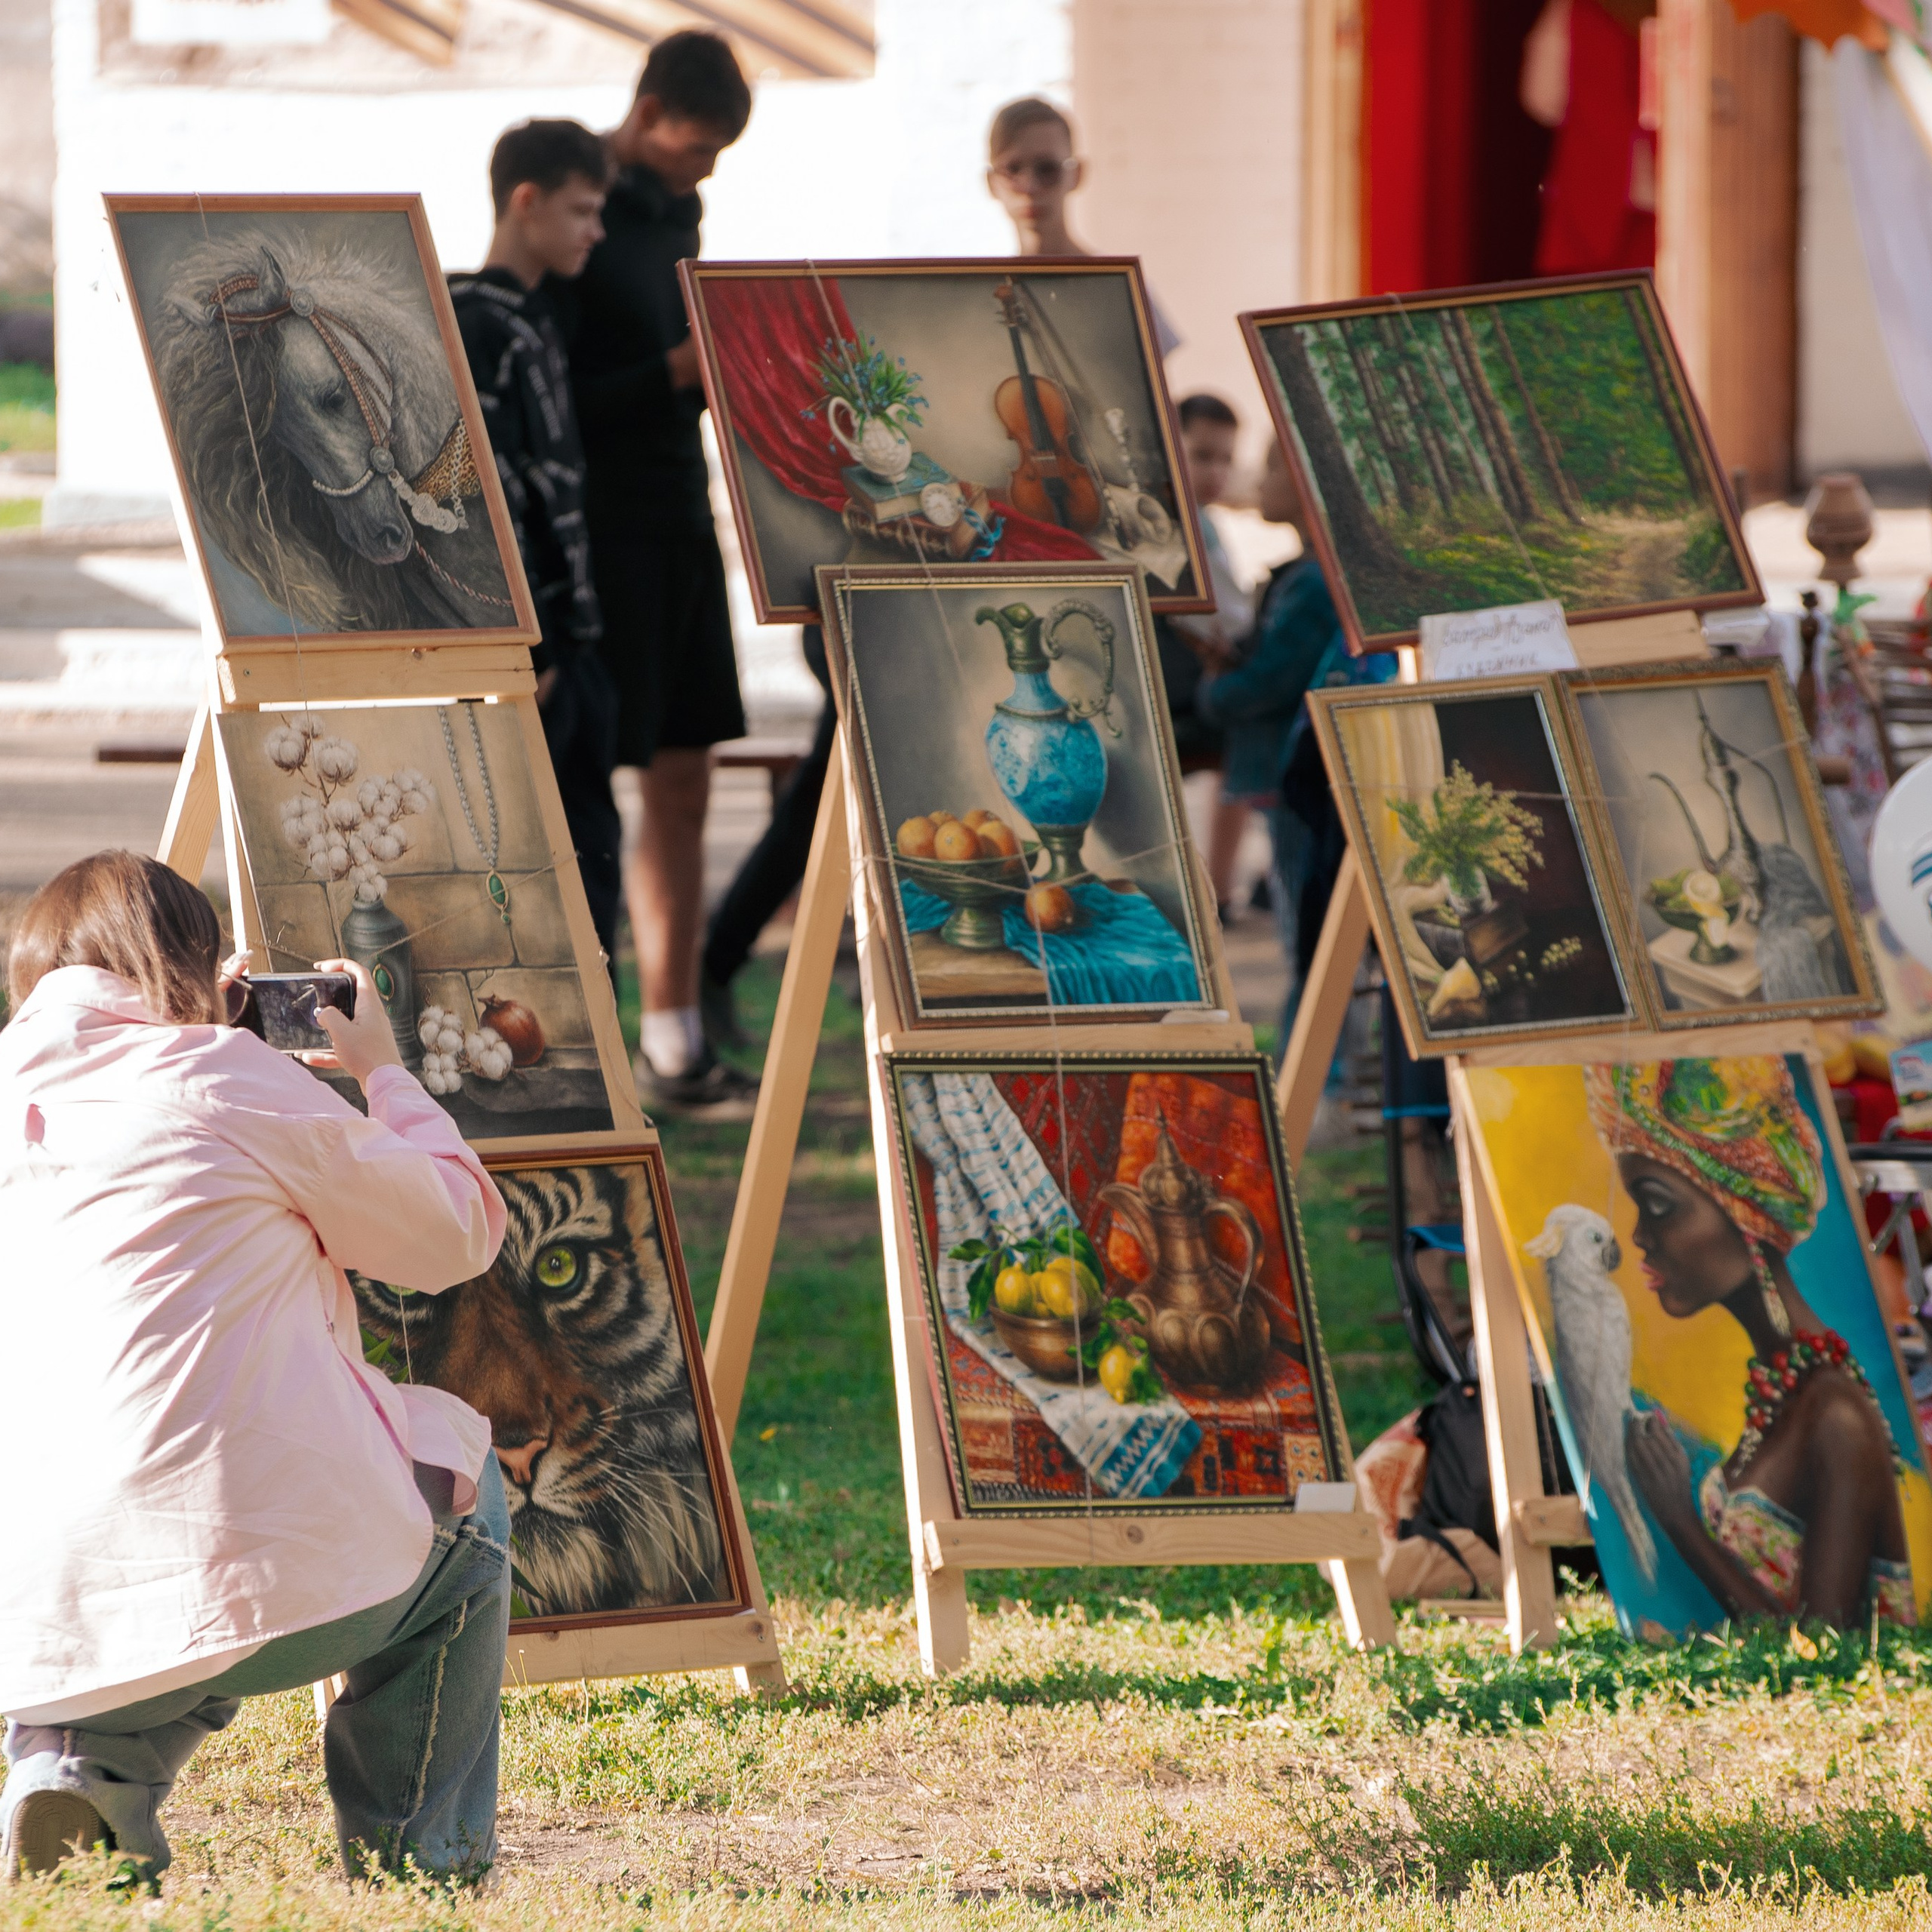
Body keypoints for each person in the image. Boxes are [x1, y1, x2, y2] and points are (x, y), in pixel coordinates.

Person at [0, 852, 510, 1884]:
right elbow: (454, 1235)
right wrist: (382, 1070)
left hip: (36, 1613)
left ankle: (73, 1768)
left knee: (132, 1577)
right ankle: (420, 1860)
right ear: (189, 966)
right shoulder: (219, 1075)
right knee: (462, 1498)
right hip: (244, 1567)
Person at [549, 30, 758, 1117]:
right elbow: (561, 390)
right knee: (597, 787)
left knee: (688, 773)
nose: (705, 169)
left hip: (685, 514)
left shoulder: (682, 211)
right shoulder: (582, 197)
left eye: (720, 154)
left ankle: (676, 1043)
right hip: (605, 529)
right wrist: (673, 371)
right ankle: (584, 1039)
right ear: (646, 110)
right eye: (696, 145)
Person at [1589, 1056, 1914, 1628]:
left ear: (1744, 1211)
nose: (1639, 1236)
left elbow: (1824, 1648)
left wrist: (1682, 1521)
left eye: (1658, 1203)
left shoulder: (1835, 1412)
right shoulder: (1787, 1380)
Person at [451, 118, 622, 971]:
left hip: (577, 645)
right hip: (535, 645)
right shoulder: (476, 322)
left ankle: (609, 1052)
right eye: (582, 210)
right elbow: (493, 493)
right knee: (528, 857)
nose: (596, 231)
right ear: (527, 203)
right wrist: (536, 635)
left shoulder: (539, 317)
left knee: (593, 850)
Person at [1195, 439, 1349, 1044]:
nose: (1257, 481)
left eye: (1271, 467)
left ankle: (1324, 1071)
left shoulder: (1311, 583)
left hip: (1291, 780)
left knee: (1307, 935)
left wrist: (1217, 686)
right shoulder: (1302, 575)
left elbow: (1267, 685)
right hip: (1283, 778)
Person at [1169, 393, 1255, 919]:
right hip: (1174, 687)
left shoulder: (1210, 525)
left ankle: (1219, 889)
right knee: (1246, 723)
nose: (1216, 472)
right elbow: (1223, 616)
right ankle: (1216, 892)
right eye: (1203, 456)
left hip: (1196, 680)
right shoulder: (1172, 521)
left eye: (1226, 459)